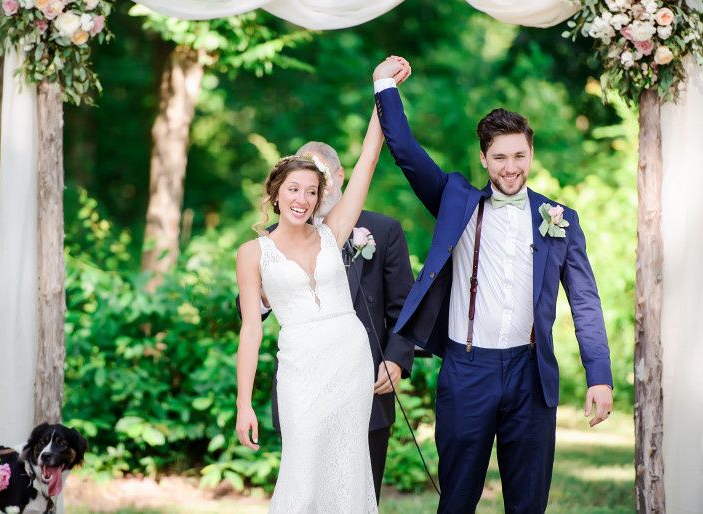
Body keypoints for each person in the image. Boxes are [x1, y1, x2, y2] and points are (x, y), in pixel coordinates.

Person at [372, 56, 614, 514]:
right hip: (467, 371)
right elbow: (404, 149)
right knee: (457, 499)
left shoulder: (560, 219)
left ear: (531, 155)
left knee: (528, 503)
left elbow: (585, 302)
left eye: (519, 155)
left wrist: (598, 376)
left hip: (530, 373)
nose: (510, 167)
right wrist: (384, 85)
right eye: (500, 157)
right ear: (484, 158)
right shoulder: (454, 199)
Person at [235, 59, 411, 513]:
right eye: (293, 190)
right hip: (300, 369)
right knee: (303, 465)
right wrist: (243, 404)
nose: (302, 200)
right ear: (276, 194)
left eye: (311, 192)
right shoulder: (253, 254)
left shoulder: (333, 234)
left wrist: (382, 89)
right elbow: (251, 331)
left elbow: (367, 161)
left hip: (349, 359)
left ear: (322, 195)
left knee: (350, 469)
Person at [258, 140, 416, 503]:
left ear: (338, 177)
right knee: (307, 494)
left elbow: (405, 306)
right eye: (297, 184)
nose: (309, 192)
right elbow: (247, 308)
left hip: (365, 382)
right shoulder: (272, 243)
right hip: (306, 387)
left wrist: (395, 359)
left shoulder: (384, 229)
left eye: (317, 181)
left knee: (357, 496)